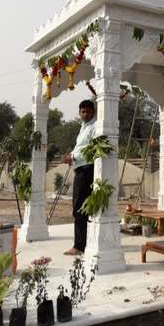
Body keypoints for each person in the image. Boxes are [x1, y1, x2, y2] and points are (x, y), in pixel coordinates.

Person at [62, 100, 96, 255]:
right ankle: (82, 243)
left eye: (88, 111)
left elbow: (92, 148)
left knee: (79, 207)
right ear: (79, 112)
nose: (86, 114)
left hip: (87, 169)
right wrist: (71, 155)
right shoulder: (84, 127)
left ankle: (79, 246)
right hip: (80, 168)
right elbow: (80, 147)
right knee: (81, 207)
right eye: (83, 111)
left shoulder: (95, 127)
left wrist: (73, 156)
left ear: (93, 112)